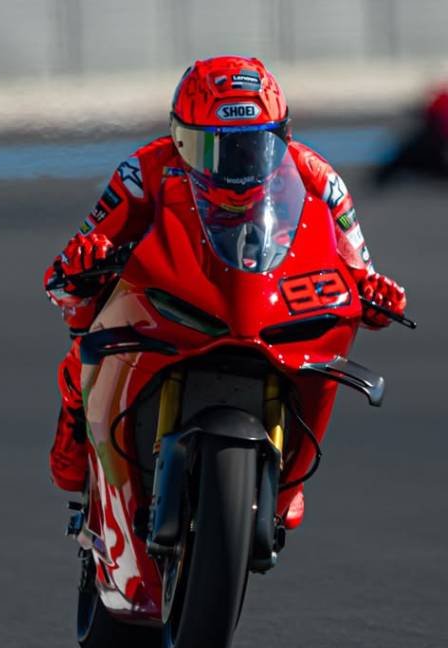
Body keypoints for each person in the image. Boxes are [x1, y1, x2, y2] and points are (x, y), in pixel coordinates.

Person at [43, 56, 407, 524]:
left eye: (253, 149)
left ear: (282, 137)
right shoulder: (141, 172)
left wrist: (377, 295)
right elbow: (65, 275)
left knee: (332, 341)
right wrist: (85, 262)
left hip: (268, 303)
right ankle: (79, 426)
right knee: (86, 331)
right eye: (209, 150)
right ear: (179, 140)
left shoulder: (319, 178)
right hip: (177, 296)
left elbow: (360, 271)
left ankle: (288, 474)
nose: (234, 168)